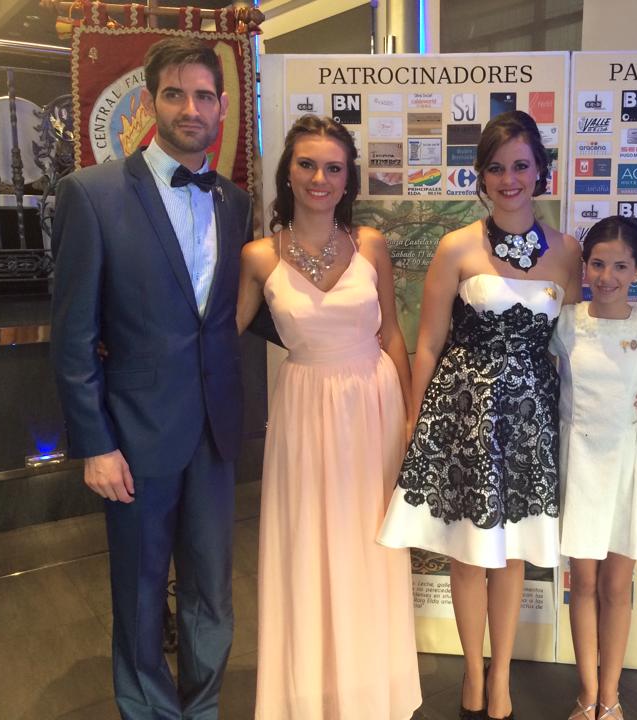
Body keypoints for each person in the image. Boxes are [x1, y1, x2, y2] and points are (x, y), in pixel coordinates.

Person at [49, 38, 251, 719]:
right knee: (139, 592)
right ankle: (148, 711)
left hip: (215, 430)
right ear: (149, 101)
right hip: (134, 435)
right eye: (175, 94)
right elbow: (73, 337)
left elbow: (227, 315)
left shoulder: (235, 202)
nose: (190, 108)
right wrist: (95, 444)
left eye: (203, 96)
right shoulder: (92, 194)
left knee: (212, 590)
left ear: (221, 107)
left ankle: (202, 707)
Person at [379, 110, 583, 720]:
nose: (508, 179)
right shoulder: (457, 245)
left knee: (512, 554)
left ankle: (502, 678)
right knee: (469, 554)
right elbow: (429, 342)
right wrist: (415, 418)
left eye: (520, 165)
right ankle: (473, 672)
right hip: (463, 413)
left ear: (540, 171)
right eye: (496, 168)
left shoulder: (569, 252)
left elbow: (578, 343)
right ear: (481, 176)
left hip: (528, 420)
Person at [236, 114, 422, 719]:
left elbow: (391, 334)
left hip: (373, 405)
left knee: (370, 545)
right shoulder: (258, 256)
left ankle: (372, 692)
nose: (320, 178)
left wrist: (407, 420)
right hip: (304, 410)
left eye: (333, 168)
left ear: (348, 179)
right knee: (308, 544)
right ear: (288, 173)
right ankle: (311, 695)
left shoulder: (371, 244)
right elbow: (217, 335)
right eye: (308, 165)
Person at [550, 216, 637, 720]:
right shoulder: (566, 323)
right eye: (598, 264)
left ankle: (611, 696)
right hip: (579, 463)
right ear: (585, 266)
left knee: (617, 586)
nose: (607, 276)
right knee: (583, 583)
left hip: (629, 463)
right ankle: (587, 693)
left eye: (620, 266)